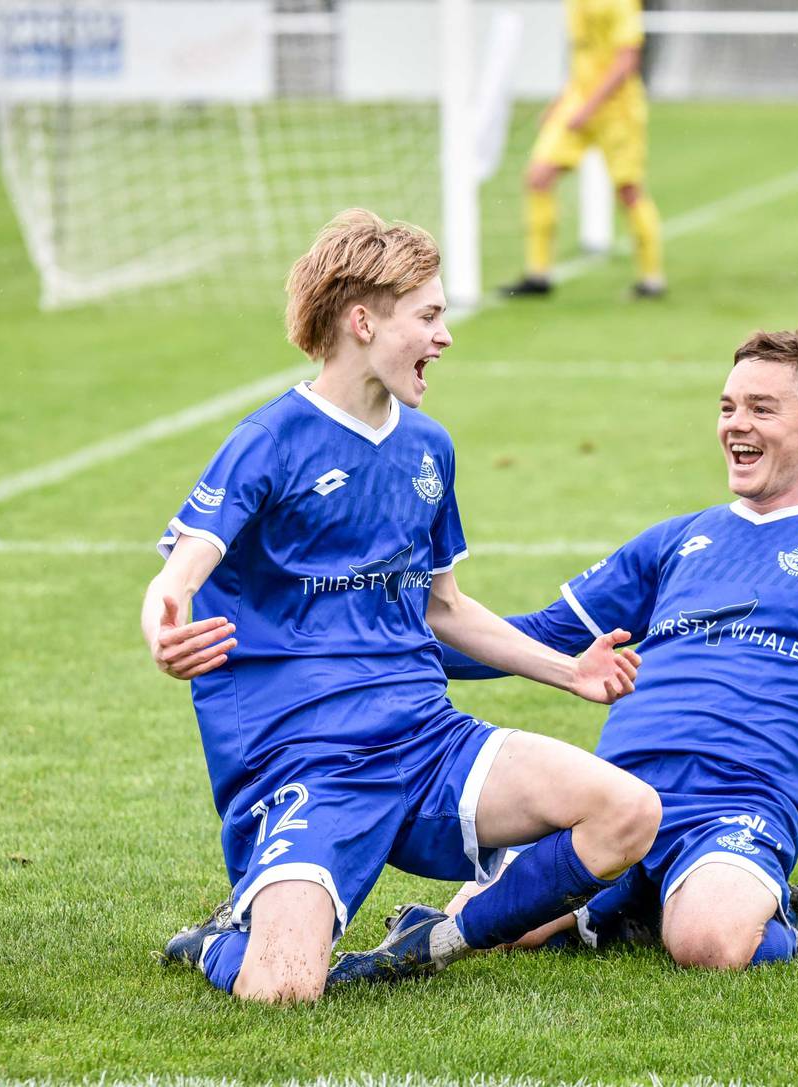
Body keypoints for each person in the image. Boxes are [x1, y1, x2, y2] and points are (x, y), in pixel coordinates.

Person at [336, 326, 798, 978]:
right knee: (492, 919)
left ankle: (753, 906)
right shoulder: (679, 539)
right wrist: (379, 649)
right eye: (728, 406)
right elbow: (542, 635)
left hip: (738, 804)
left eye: (762, 408)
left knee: (708, 942)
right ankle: (616, 905)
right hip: (617, 795)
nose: (737, 424)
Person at [144, 209, 660, 1003]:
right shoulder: (271, 441)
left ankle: (436, 938)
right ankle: (221, 939)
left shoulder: (427, 447)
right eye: (429, 316)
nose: (445, 336)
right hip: (312, 761)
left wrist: (570, 671)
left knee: (628, 809)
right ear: (363, 322)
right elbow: (179, 574)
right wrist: (165, 627)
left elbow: (443, 608)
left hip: (426, 740)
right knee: (282, 989)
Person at [501, 0, 665, 299]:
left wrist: (588, 108)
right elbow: (582, 59)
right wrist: (562, 101)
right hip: (578, 101)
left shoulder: (621, 4)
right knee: (538, 177)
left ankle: (651, 279)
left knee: (628, 190)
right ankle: (539, 275)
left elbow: (626, 62)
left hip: (618, 109)